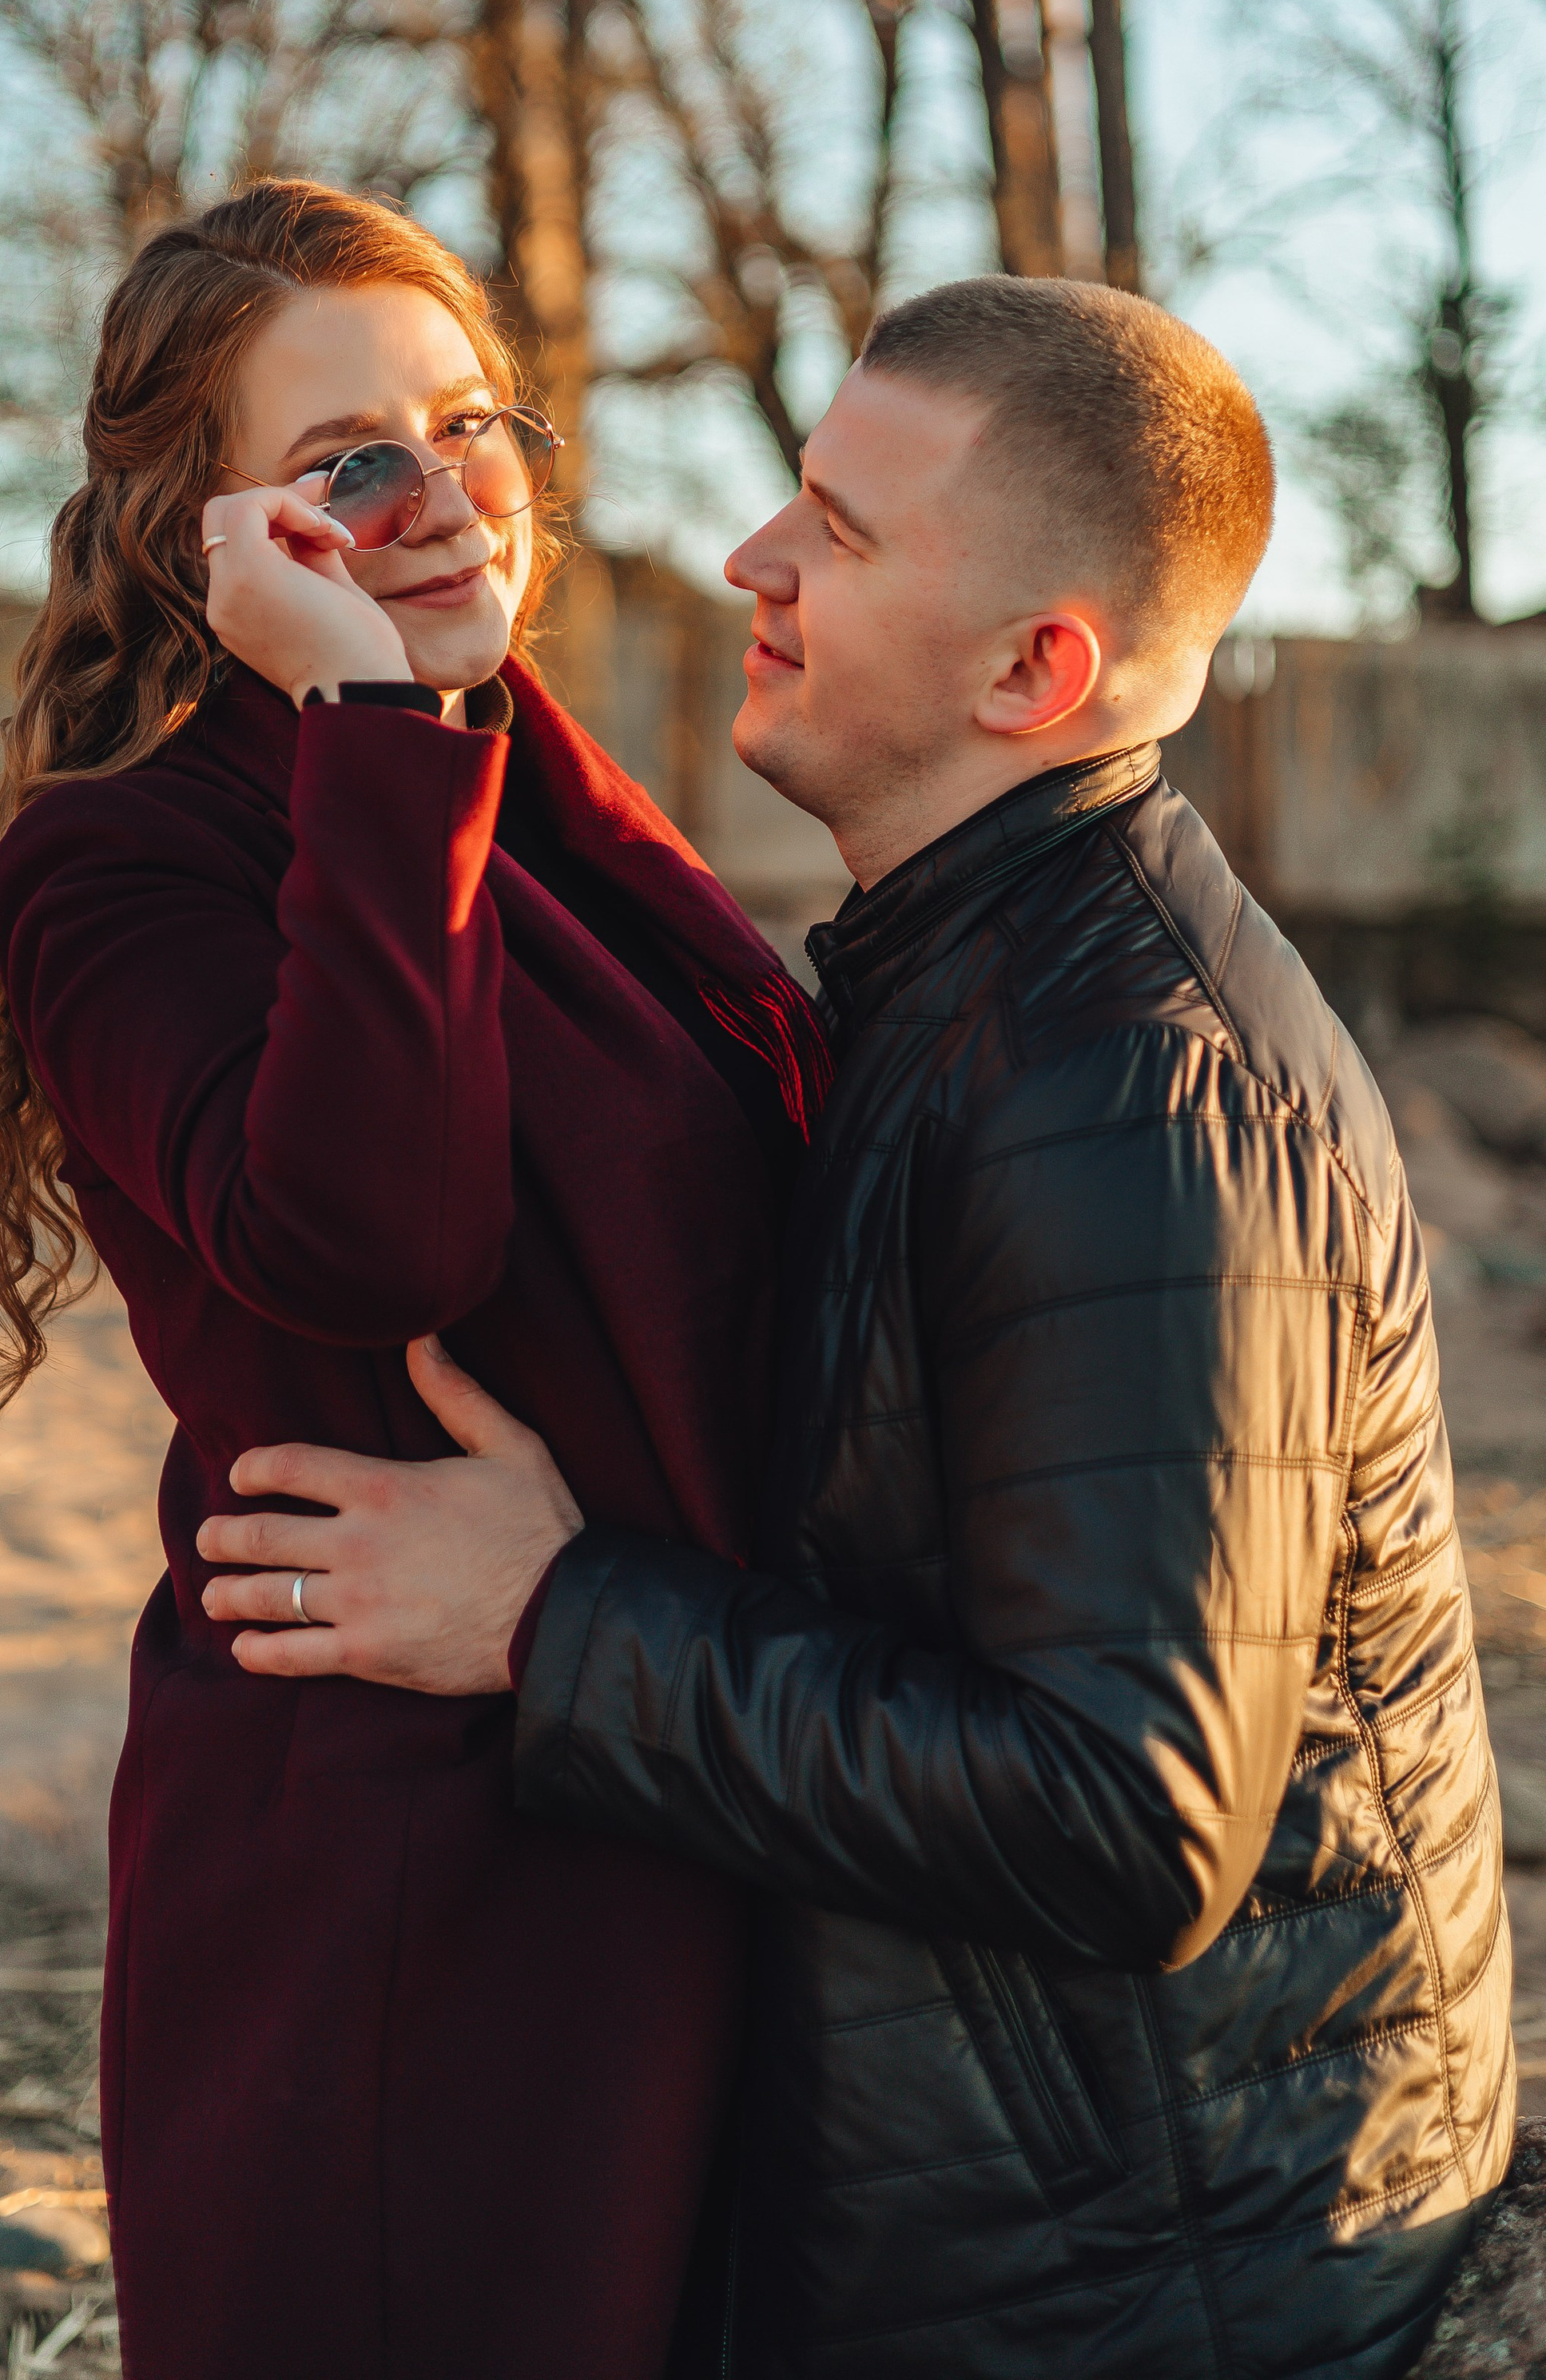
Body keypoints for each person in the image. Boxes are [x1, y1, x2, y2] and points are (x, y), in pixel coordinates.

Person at [199, 278, 1514, 2380]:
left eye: (840, 528)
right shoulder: (967, 982)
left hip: (1154, 2292)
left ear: (1037, 667)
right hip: (1058, 2214)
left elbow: (1124, 1814)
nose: (755, 563)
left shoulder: (1128, 1095)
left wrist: (552, 1621)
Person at [0, 177, 829, 2380]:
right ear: (199, 533)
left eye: (473, 421)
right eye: (348, 465)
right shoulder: (126, 860)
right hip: (411, 1870)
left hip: (663, 1753)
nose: (446, 498)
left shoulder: (534, 779)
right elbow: (374, 1235)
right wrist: (368, 736)